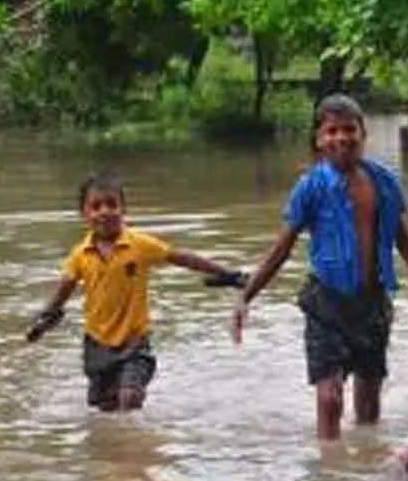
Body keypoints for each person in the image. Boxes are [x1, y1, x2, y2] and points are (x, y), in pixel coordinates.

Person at [230, 94, 408, 441]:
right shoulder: (310, 187)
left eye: (349, 129)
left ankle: (366, 475)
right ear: (319, 140)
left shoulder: (384, 181)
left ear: (363, 133)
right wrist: (246, 296)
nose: (341, 138)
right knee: (330, 397)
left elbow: (403, 238)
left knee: (368, 408)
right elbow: (282, 247)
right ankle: (329, 471)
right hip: (326, 301)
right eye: (331, 131)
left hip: (373, 302)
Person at [26, 171, 244, 412]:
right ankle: (120, 446)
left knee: (130, 397)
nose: (105, 212)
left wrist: (226, 273)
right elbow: (65, 287)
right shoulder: (79, 254)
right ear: (84, 215)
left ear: (123, 209)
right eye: (96, 206)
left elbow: (180, 257)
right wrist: (46, 317)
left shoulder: (139, 245)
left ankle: (135, 441)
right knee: (105, 408)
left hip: (134, 342)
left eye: (112, 204)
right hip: (97, 344)